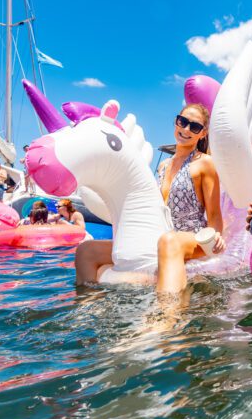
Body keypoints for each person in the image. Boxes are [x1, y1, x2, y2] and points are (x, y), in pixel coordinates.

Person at [75, 103, 226, 290]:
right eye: (183, 122)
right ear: (176, 122)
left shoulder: (205, 164)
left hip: (189, 240)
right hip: (158, 237)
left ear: (203, 133)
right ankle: (87, 307)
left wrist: (215, 238)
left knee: (169, 241)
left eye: (194, 127)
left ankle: (166, 317)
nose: (186, 129)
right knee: (87, 251)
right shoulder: (163, 166)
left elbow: (214, 216)